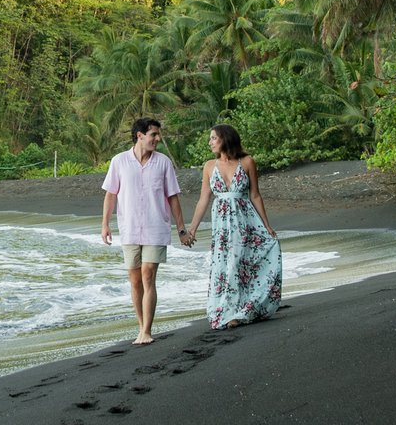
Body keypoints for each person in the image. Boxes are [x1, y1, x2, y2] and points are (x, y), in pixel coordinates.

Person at [182, 123, 282, 330]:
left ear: (225, 139)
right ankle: (228, 310)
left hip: (245, 221)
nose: (210, 142)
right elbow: (203, 199)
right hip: (221, 225)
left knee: (240, 264)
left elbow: (255, 195)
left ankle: (243, 310)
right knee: (226, 266)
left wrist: (267, 225)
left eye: (213, 138)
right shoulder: (209, 166)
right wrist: (192, 229)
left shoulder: (247, 162)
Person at [100, 117, 185, 345]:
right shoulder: (119, 161)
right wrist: (105, 224)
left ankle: (147, 330)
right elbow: (111, 194)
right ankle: (140, 326)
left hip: (156, 226)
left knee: (148, 274)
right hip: (128, 228)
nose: (157, 139)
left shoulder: (163, 162)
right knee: (135, 279)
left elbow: (173, 196)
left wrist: (181, 228)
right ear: (140, 136)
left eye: (157, 135)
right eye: (153, 135)